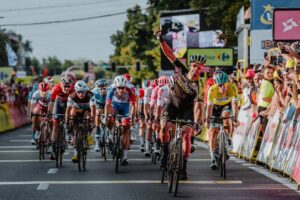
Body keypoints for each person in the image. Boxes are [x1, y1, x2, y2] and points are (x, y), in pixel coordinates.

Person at [155, 30, 203, 180]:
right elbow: (169, 54)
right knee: (164, 127)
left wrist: (198, 122)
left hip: (187, 110)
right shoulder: (182, 69)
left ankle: (183, 167)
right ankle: (164, 152)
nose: (196, 69)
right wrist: (161, 40)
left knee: (186, 134)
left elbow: (199, 106)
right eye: (194, 66)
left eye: (199, 68)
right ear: (190, 66)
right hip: (173, 104)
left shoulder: (199, 85)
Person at [205, 71, 239, 170]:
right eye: (220, 85)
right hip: (215, 107)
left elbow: (235, 104)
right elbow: (209, 107)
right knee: (213, 132)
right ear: (216, 84)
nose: (223, 87)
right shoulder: (212, 89)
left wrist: (235, 118)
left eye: (224, 84)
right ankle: (212, 158)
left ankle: (228, 138)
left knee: (227, 115)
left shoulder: (232, 87)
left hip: (226, 105)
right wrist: (207, 120)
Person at [105, 75, 136, 166]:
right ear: (115, 86)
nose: (121, 90)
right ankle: (110, 136)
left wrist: (132, 117)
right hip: (115, 106)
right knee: (110, 118)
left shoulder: (130, 90)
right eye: (119, 88)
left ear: (126, 86)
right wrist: (107, 116)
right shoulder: (111, 90)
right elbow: (107, 105)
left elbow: (133, 105)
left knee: (126, 130)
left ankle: (125, 156)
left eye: (123, 88)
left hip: (125, 108)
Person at [66, 80, 94, 162]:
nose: (81, 94)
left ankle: (89, 134)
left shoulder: (90, 95)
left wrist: (92, 120)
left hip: (87, 110)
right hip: (77, 110)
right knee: (72, 115)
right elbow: (68, 110)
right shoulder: (71, 96)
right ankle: (75, 154)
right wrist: (68, 120)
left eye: (83, 92)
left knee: (89, 117)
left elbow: (93, 109)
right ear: (76, 91)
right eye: (79, 92)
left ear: (86, 91)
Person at [49, 75, 74, 160]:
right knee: (55, 126)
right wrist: (50, 113)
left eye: (68, 87)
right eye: (65, 86)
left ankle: (69, 133)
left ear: (71, 86)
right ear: (60, 85)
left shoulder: (74, 90)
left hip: (69, 105)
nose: (66, 88)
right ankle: (52, 148)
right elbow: (51, 103)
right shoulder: (56, 89)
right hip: (58, 104)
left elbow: (75, 105)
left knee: (72, 118)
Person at [90, 79, 108, 151]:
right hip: (98, 104)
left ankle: (110, 136)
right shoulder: (93, 92)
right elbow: (92, 106)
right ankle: (97, 142)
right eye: (101, 88)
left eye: (104, 88)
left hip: (107, 104)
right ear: (97, 88)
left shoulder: (110, 91)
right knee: (98, 113)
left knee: (111, 115)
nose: (103, 90)